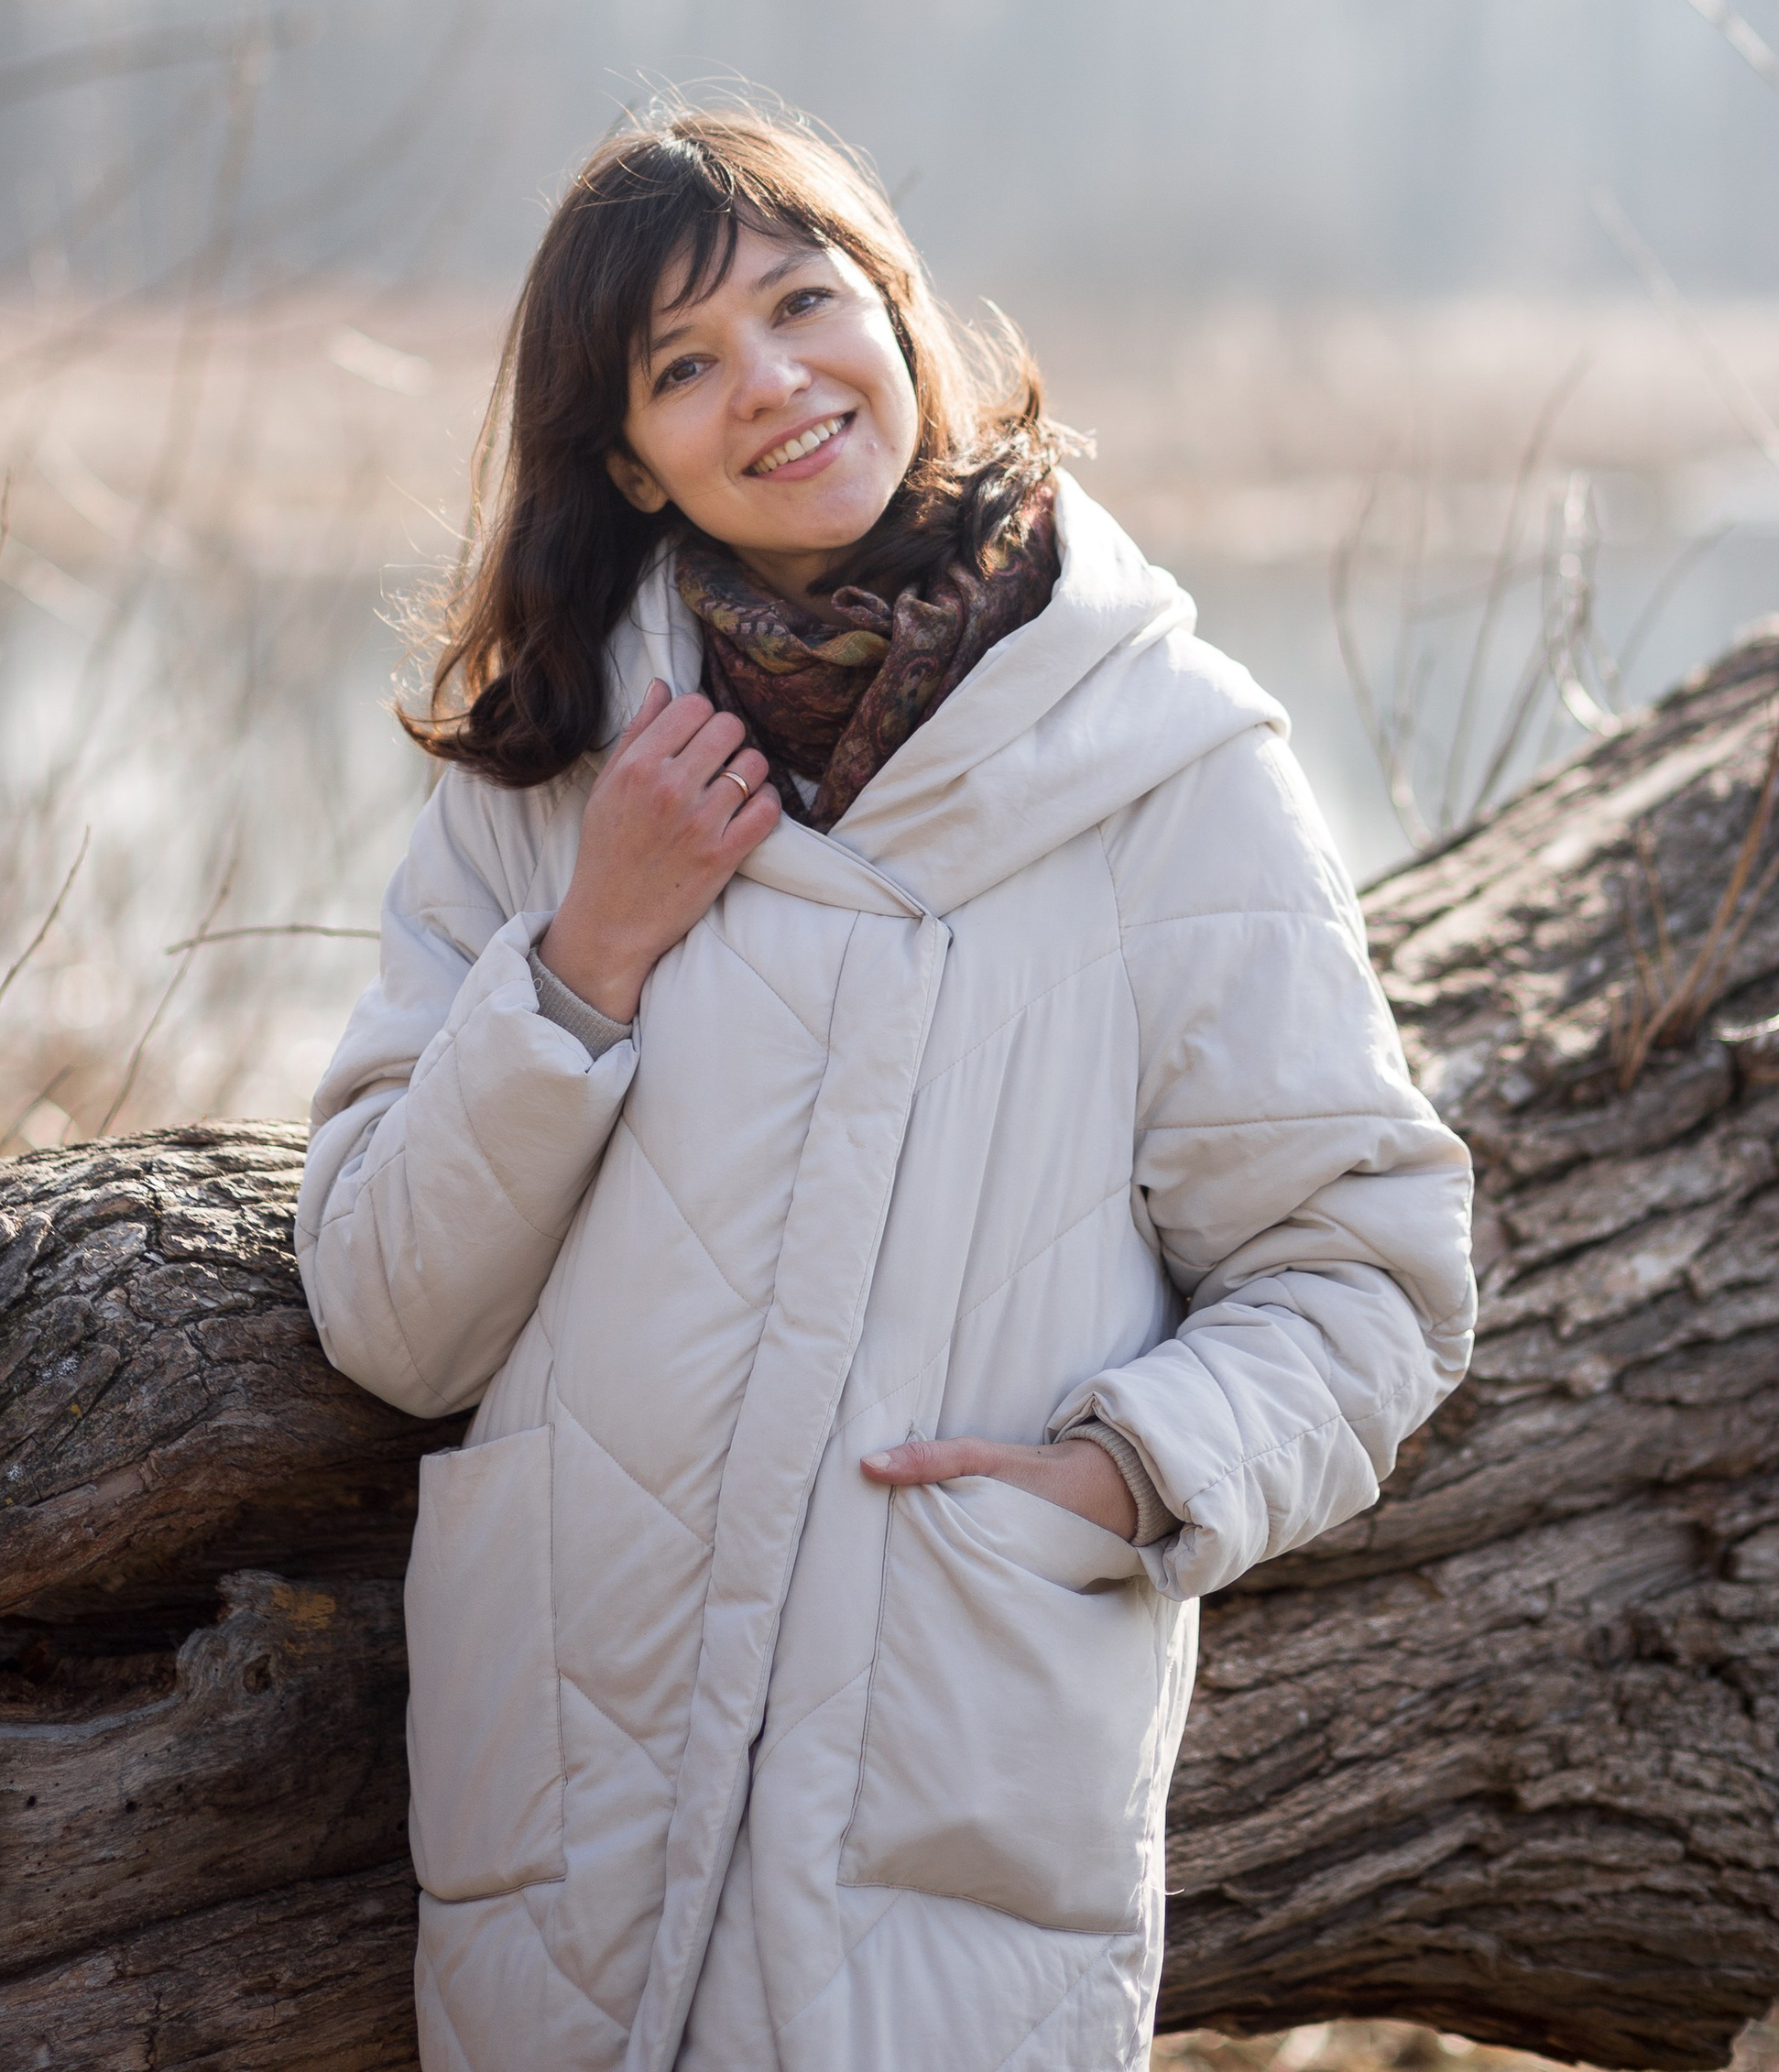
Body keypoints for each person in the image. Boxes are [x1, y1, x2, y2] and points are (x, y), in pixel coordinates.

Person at [297, 108, 1474, 2072]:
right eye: (682, 367)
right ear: (625, 455)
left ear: (901, 316)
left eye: (800, 303)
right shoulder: (548, 770)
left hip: (945, 1799)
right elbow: (390, 1320)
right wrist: (588, 955)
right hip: (563, 1803)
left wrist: (1126, 1476)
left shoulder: (1167, 768)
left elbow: (1367, 1275)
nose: (766, 384)